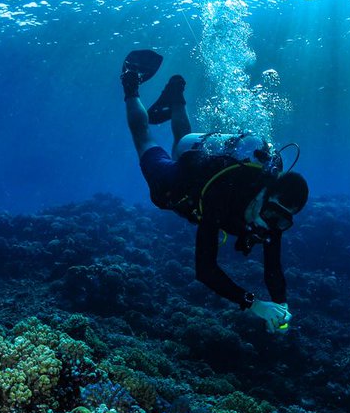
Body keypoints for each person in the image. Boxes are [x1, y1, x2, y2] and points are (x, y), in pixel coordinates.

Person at [121, 51, 308, 333]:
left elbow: (273, 270)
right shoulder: (224, 193)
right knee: (144, 140)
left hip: (198, 155)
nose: (269, 224)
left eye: (282, 221)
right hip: (183, 180)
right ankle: (130, 85)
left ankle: (175, 97)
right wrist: (255, 305)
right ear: (265, 192)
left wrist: (281, 306)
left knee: (180, 142)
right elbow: (205, 270)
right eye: (271, 213)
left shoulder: (273, 216)